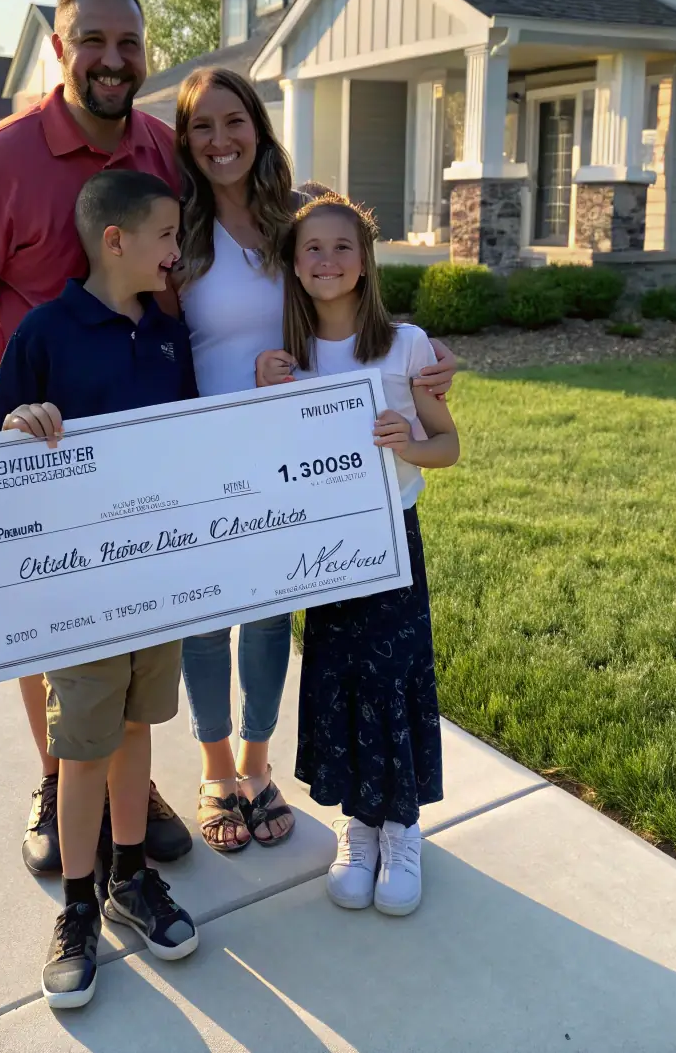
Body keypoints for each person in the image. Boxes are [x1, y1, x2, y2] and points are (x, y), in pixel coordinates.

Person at [0, 0, 191, 876]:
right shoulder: (0, 158)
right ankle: (56, 776)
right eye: (93, 41)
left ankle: (128, 789)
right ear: (58, 50)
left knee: (137, 620)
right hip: (38, 446)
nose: (112, 60)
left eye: (129, 43)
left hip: (140, 448)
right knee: (48, 624)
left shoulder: (164, 151)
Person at [172, 66, 458, 854]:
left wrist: (427, 356)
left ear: (259, 128)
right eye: (202, 125)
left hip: (295, 451)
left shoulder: (292, 215)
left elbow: (353, 282)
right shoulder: (179, 229)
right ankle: (216, 771)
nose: (221, 139)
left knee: (269, 614)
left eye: (235, 121)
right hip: (208, 442)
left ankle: (257, 767)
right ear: (185, 140)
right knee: (207, 617)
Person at [0, 170, 199, 1009]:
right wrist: (19, 424)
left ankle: (129, 879)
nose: (176, 251)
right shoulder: (45, 333)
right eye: (167, 235)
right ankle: (78, 903)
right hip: (81, 594)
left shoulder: (168, 336)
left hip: (158, 579)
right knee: (80, 748)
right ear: (117, 240)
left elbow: (193, 441)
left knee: (138, 727)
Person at [263, 193, 460, 917]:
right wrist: (265, 392)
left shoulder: (407, 345)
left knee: (394, 677)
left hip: (392, 540)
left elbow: (449, 446)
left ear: (367, 260)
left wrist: (408, 443)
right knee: (340, 673)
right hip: (323, 547)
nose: (327, 260)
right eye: (312, 248)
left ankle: (401, 826)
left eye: (343, 246)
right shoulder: (285, 358)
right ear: (293, 264)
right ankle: (359, 824)